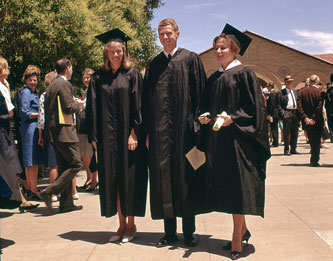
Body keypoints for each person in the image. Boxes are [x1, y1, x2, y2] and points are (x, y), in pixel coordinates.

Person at [198, 24, 270, 260]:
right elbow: (209, 105)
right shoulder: (215, 77)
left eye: (223, 48)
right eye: (216, 48)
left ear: (234, 49)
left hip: (240, 141)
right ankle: (244, 229)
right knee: (230, 188)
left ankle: (237, 239)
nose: (219, 51)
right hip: (221, 142)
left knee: (239, 188)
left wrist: (234, 119)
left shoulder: (245, 74)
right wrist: (206, 116)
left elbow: (254, 110)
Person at [142, 18, 206, 247]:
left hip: (185, 132)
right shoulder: (154, 64)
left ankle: (189, 233)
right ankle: (169, 233)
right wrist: (147, 132)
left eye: (169, 33)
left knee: (186, 179)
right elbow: (146, 101)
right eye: (161, 34)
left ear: (178, 34)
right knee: (163, 181)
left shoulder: (190, 59)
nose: (165, 37)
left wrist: (198, 128)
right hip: (160, 133)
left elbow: (200, 95)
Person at [86, 28, 148, 243]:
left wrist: (134, 133)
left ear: (124, 52)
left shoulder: (132, 75)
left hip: (127, 139)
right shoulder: (97, 77)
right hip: (106, 139)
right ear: (106, 53)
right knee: (112, 180)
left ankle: (131, 225)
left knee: (128, 180)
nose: (116, 55)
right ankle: (120, 225)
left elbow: (138, 106)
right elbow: (91, 108)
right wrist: (94, 137)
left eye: (119, 51)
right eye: (112, 51)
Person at [39, 58, 84, 213]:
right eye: (71, 68)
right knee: (76, 164)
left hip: (54, 133)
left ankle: (66, 204)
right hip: (65, 132)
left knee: (65, 165)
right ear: (67, 67)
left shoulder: (51, 85)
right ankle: (50, 190)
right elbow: (67, 107)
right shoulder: (64, 84)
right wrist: (79, 105)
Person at [0, 56, 39, 212]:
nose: (9, 69)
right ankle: (20, 197)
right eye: (7, 66)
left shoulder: (5, 84)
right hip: (2, 128)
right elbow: (10, 111)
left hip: (5, 128)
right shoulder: (4, 87)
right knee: (11, 162)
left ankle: (21, 197)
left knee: (12, 162)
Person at [20, 65, 43, 200]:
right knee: (30, 160)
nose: (33, 82)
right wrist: (40, 113)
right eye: (30, 80)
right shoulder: (26, 93)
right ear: (26, 80)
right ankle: (32, 189)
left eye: (35, 80)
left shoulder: (34, 92)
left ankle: (32, 188)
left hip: (35, 128)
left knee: (33, 161)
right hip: (29, 129)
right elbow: (25, 112)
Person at [37, 71, 59, 202]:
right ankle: (68, 192)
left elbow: (41, 119)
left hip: (49, 131)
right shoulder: (60, 94)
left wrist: (40, 135)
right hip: (62, 131)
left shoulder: (43, 96)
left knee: (53, 164)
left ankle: (53, 193)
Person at [77, 68, 98, 192]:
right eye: (84, 77)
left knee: (92, 154)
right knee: (84, 153)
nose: (86, 80)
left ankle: (94, 180)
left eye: (88, 77)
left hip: (91, 126)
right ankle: (89, 177)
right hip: (83, 125)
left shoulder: (95, 90)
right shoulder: (86, 91)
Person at [297, 75, 324, 166]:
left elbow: (299, 107)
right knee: (316, 141)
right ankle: (314, 160)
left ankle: (314, 158)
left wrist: (305, 118)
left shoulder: (302, 92)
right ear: (317, 81)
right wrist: (313, 118)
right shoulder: (319, 92)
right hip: (317, 120)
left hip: (307, 121)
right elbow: (319, 107)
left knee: (311, 140)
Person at [277, 75, 299, 155]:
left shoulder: (295, 91)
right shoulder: (281, 92)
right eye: (288, 81)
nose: (290, 83)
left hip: (295, 113)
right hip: (287, 112)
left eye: (291, 81)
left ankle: (293, 149)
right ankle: (286, 149)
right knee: (286, 133)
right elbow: (278, 105)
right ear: (285, 82)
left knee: (294, 132)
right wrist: (283, 113)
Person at [266, 82, 279, 147]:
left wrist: (270, 114)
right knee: (274, 128)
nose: (267, 87)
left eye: (267, 86)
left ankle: (275, 142)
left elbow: (272, 105)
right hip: (273, 114)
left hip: (273, 115)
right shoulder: (273, 93)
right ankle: (275, 141)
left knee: (274, 128)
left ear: (271, 86)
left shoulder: (272, 93)